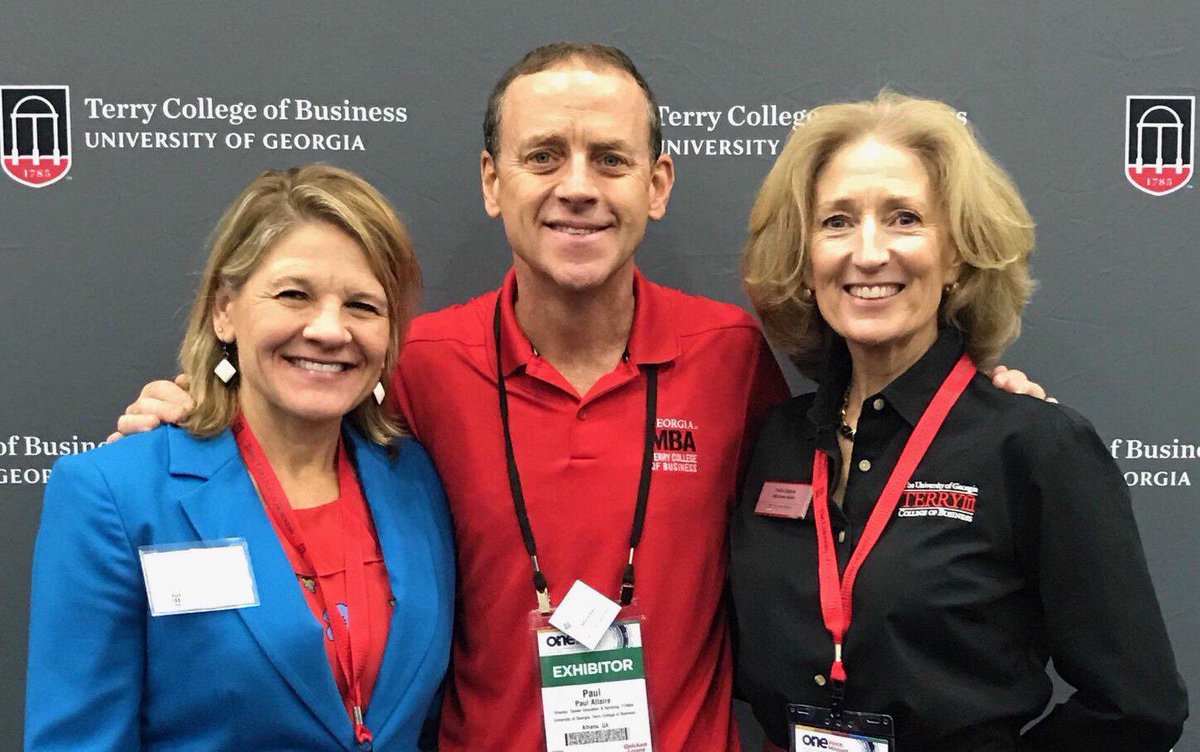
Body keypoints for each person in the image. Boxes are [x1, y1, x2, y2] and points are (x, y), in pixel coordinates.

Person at [108, 46, 1047, 751]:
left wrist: (973, 414)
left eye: (610, 158)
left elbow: (853, 472)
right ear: (493, 183)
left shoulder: (729, 356)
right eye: (543, 156)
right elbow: (291, 446)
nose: (578, 189)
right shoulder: (415, 364)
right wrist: (192, 419)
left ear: (659, 183)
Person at [732, 92, 1187, 751]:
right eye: (836, 222)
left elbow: (1138, 706)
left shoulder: (1032, 445)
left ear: (955, 256)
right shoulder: (777, 440)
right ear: (806, 261)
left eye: (904, 219)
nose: (867, 252)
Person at [27, 165, 454, 751]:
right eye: (294, 294)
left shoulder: (415, 480)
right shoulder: (117, 494)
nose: (329, 330)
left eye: (362, 305)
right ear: (225, 309)